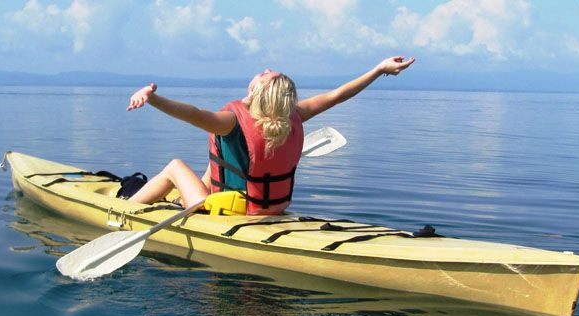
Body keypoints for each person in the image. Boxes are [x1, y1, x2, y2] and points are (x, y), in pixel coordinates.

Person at [125, 56, 415, 215]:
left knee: (175, 166)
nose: (264, 68)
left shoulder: (231, 122)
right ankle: (173, 201)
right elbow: (338, 95)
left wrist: (153, 99)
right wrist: (378, 70)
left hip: (229, 212)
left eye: (266, 73)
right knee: (219, 162)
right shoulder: (294, 116)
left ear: (256, 91)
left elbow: (193, 113)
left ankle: (122, 211)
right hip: (272, 210)